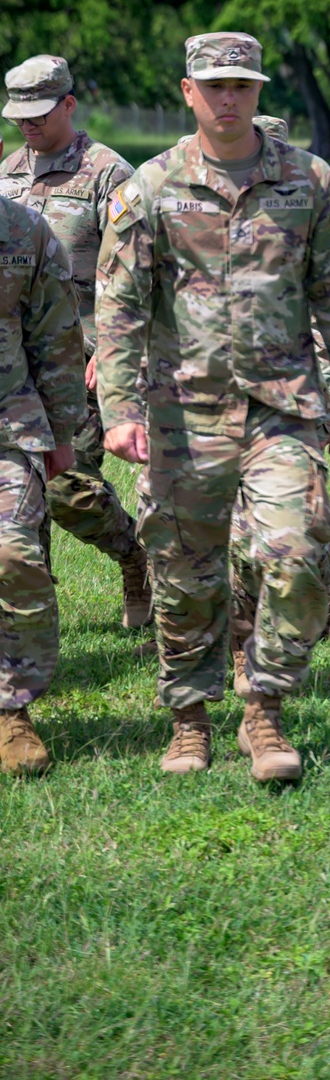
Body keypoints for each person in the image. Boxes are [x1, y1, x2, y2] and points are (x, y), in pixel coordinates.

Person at [96, 32, 330, 781]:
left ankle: (265, 708)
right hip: (180, 414)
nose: (228, 97)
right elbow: (120, 306)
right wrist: (119, 406)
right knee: (183, 573)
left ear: (259, 92)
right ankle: (189, 719)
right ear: (187, 92)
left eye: (241, 85)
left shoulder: (309, 181)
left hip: (282, 405)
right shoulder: (151, 187)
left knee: (295, 551)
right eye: (213, 84)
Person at [0, 56, 151, 630]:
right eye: (19, 117)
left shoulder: (110, 175)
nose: (28, 127)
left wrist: (112, 350)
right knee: (20, 492)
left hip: (83, 358)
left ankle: (134, 554)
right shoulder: (8, 171)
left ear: (68, 104)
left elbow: (131, 272)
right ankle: (28, 619)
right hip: (16, 359)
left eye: (39, 115)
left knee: (67, 488)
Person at [227, 115, 330, 701]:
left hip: (295, 382)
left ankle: (314, 602)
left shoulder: (307, 194)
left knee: (302, 511)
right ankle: (238, 630)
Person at [0, 191, 87, 773]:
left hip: (9, 427)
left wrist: (60, 433)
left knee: (12, 553)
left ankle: (12, 710)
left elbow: (56, 336)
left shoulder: (26, 232)